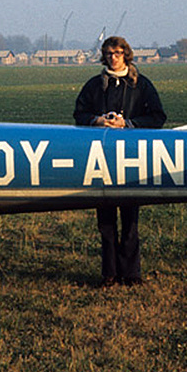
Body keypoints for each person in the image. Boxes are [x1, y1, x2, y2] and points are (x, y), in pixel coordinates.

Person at [74, 36, 166, 287]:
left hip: (131, 157)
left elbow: (158, 117)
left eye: (117, 52)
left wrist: (128, 124)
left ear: (126, 54)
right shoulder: (94, 85)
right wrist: (97, 120)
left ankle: (132, 273)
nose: (113, 57)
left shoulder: (141, 85)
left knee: (130, 220)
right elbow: (78, 114)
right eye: (108, 53)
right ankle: (109, 273)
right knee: (105, 222)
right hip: (101, 158)